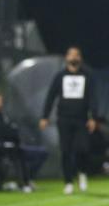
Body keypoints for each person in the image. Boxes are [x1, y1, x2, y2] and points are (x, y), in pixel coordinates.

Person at [40, 47, 98, 195]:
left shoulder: (87, 76)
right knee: (65, 150)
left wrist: (93, 117)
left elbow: (93, 98)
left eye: (76, 55)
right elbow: (51, 96)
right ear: (66, 58)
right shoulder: (60, 76)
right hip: (64, 118)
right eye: (71, 54)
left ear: (80, 58)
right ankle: (68, 182)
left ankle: (82, 173)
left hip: (81, 119)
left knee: (82, 148)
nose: (74, 57)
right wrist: (45, 116)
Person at [0, 89, 32, 193]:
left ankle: (24, 182)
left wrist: (13, 139)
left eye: (1, 101)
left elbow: (9, 130)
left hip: (6, 144)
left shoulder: (3, 115)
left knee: (20, 153)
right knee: (1, 161)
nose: (0, 103)